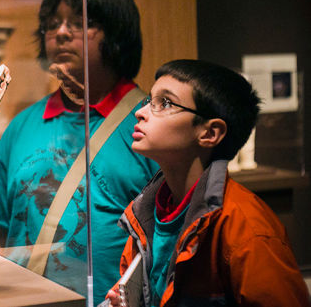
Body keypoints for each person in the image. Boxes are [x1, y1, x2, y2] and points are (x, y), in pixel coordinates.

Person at [0, 0, 159, 305]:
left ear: (116, 32)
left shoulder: (150, 121)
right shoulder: (22, 126)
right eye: (52, 22)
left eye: (80, 22)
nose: (61, 33)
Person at [104, 59, 310, 306]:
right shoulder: (145, 214)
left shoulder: (249, 230)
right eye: (150, 100)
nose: (141, 112)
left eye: (165, 103)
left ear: (210, 133)